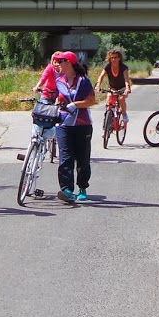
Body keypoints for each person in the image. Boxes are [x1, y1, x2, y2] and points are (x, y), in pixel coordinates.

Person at [53, 51, 96, 204]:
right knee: (65, 157)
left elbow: (91, 101)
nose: (58, 64)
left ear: (69, 63)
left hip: (82, 124)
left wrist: (75, 104)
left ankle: (82, 187)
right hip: (64, 123)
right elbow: (60, 97)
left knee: (82, 158)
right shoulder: (60, 81)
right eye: (57, 61)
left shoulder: (83, 81)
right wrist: (59, 103)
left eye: (61, 61)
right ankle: (67, 189)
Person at [95, 48, 133, 122]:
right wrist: (98, 85)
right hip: (113, 88)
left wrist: (127, 88)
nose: (113, 59)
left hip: (122, 88)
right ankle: (107, 125)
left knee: (121, 99)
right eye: (112, 58)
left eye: (115, 57)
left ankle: (124, 114)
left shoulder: (123, 67)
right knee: (109, 100)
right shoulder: (108, 67)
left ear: (119, 58)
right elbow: (101, 76)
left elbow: (126, 79)